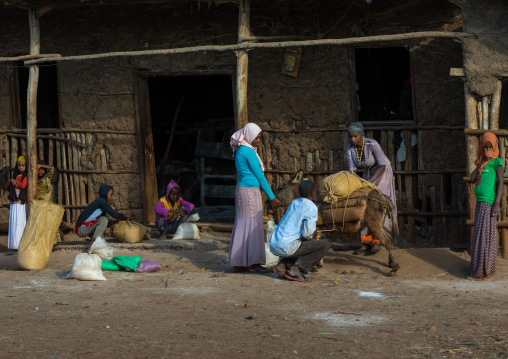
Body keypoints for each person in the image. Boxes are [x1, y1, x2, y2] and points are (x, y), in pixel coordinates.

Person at [229, 122, 281, 273]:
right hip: (250, 192)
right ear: (250, 136)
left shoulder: (240, 150)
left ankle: (239, 262)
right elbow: (260, 177)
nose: (259, 141)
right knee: (253, 226)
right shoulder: (248, 151)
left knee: (243, 224)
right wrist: (272, 197)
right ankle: (255, 263)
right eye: (257, 138)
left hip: (241, 190)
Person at [346, 122, 398, 254]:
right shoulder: (350, 149)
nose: (352, 139)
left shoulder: (372, 145)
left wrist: (372, 182)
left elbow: (382, 165)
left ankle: (378, 241)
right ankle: (366, 241)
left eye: (355, 136)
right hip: (367, 173)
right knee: (364, 204)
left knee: (379, 205)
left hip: (382, 172)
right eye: (350, 136)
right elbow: (352, 170)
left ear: (361, 135)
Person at [270, 180, 330, 282]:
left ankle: (282, 265)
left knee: (300, 241)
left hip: (274, 244)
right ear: (313, 193)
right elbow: (308, 233)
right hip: (287, 247)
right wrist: (312, 236)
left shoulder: (294, 202)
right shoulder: (311, 207)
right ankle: (297, 269)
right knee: (324, 245)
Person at [469, 132, 504, 279]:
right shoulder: (481, 163)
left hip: (489, 204)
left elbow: (501, 183)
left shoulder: (497, 162)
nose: (487, 149)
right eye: (485, 146)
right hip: (480, 204)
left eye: (490, 146)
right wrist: (482, 162)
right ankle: (481, 269)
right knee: (479, 236)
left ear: (495, 147)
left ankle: (484, 271)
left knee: (485, 237)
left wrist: (497, 203)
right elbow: (472, 178)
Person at [6, 156, 28, 255]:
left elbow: (23, 185)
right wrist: (11, 180)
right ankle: (13, 246)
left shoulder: (26, 176)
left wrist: (14, 182)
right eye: (19, 165)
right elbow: (7, 185)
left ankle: (20, 245)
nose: (21, 167)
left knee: (20, 223)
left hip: (21, 203)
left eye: (23, 165)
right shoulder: (15, 176)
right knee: (13, 223)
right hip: (14, 203)